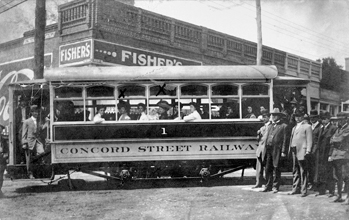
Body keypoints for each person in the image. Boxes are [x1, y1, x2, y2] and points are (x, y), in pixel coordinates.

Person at [261, 108, 287, 193]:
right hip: (269, 149)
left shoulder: (283, 126)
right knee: (268, 168)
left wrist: (283, 151)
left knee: (276, 168)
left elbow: (285, 140)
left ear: (279, 116)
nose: (273, 117)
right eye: (272, 115)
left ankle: (275, 186)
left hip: (277, 150)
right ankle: (268, 185)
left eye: (275, 115)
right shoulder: (270, 126)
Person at [288, 109, 313, 197]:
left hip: (302, 150)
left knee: (303, 171)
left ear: (302, 117)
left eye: (299, 116)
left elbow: (309, 140)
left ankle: (304, 190)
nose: (297, 118)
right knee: (295, 170)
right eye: (296, 116)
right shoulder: (294, 127)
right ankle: (295, 188)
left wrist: (308, 150)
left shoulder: (307, 126)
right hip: (294, 150)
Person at [328, 111, 349, 203]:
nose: (338, 122)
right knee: (337, 177)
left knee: (346, 177)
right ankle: (339, 196)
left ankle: (348, 197)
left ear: (345, 119)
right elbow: (331, 140)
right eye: (338, 120)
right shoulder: (338, 129)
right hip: (336, 156)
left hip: (344, 156)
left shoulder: (347, 128)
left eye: (340, 120)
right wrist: (334, 139)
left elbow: (340, 139)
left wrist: (334, 139)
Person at [315, 111, 337, 196]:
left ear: (328, 119)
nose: (322, 121)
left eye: (324, 119)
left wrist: (330, 154)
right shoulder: (321, 128)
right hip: (320, 153)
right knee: (321, 171)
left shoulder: (333, 128)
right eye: (322, 119)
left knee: (329, 171)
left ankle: (331, 191)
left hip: (327, 153)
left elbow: (333, 143)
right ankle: (321, 190)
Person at [22, 105, 45, 179]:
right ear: (32, 112)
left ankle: (36, 166)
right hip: (29, 142)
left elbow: (41, 128)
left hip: (37, 141)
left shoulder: (39, 121)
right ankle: (30, 173)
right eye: (35, 112)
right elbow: (24, 133)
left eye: (37, 112)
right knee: (28, 159)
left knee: (41, 152)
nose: (36, 113)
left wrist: (47, 123)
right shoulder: (27, 121)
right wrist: (24, 143)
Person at [252, 109, 271, 189]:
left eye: (265, 117)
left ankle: (267, 183)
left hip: (266, 149)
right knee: (259, 167)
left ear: (269, 117)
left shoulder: (270, 126)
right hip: (260, 149)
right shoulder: (263, 127)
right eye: (263, 117)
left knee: (267, 167)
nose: (263, 118)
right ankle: (258, 182)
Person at [308, 110, 322, 191]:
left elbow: (318, 140)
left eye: (314, 118)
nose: (312, 119)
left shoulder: (320, 127)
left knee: (316, 168)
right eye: (311, 118)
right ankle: (311, 183)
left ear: (317, 118)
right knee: (310, 168)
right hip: (309, 150)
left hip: (316, 151)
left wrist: (314, 149)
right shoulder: (310, 126)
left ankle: (316, 184)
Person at [0, 124, 8, 198]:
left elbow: (6, 149)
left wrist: (6, 154)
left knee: (1, 176)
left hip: (1, 158)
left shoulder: (3, 139)